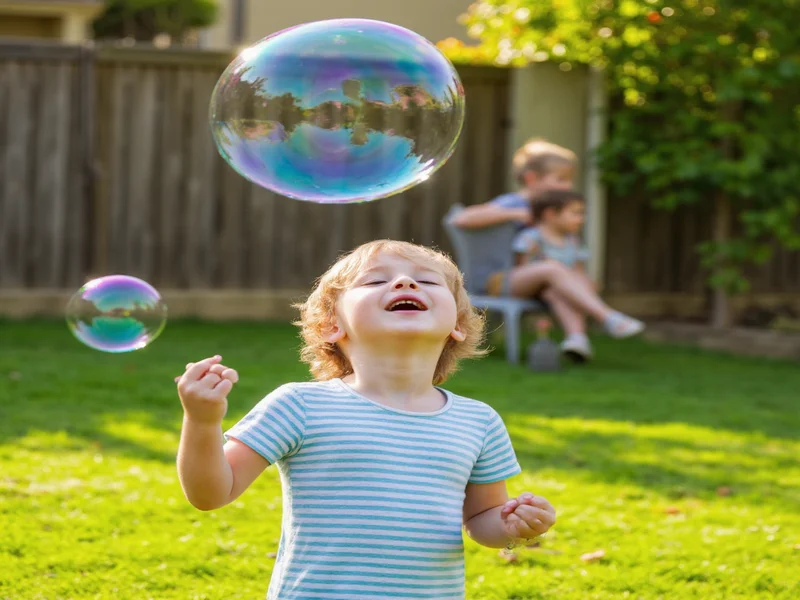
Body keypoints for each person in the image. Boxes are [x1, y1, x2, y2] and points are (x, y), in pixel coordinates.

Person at [175, 240, 557, 600]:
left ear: (457, 323)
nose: (405, 282)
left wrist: (511, 527)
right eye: (375, 281)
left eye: (426, 281)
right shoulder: (301, 405)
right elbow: (210, 495)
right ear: (331, 325)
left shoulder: (478, 422)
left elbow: (481, 518)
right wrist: (202, 422)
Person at [450, 138, 644, 346]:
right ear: (532, 178)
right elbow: (460, 219)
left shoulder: (552, 211)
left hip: (538, 282)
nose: (567, 186)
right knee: (552, 268)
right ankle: (606, 316)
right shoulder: (516, 203)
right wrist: (515, 214)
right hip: (502, 280)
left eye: (569, 180)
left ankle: (577, 341)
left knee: (555, 289)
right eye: (561, 179)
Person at [513, 189, 601, 362]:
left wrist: (587, 286)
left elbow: (579, 272)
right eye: (576, 213)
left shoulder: (574, 242)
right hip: (529, 287)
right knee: (552, 274)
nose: (581, 218)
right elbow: (524, 268)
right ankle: (605, 315)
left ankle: (577, 340)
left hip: (554, 292)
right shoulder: (531, 238)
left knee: (556, 293)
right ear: (551, 214)